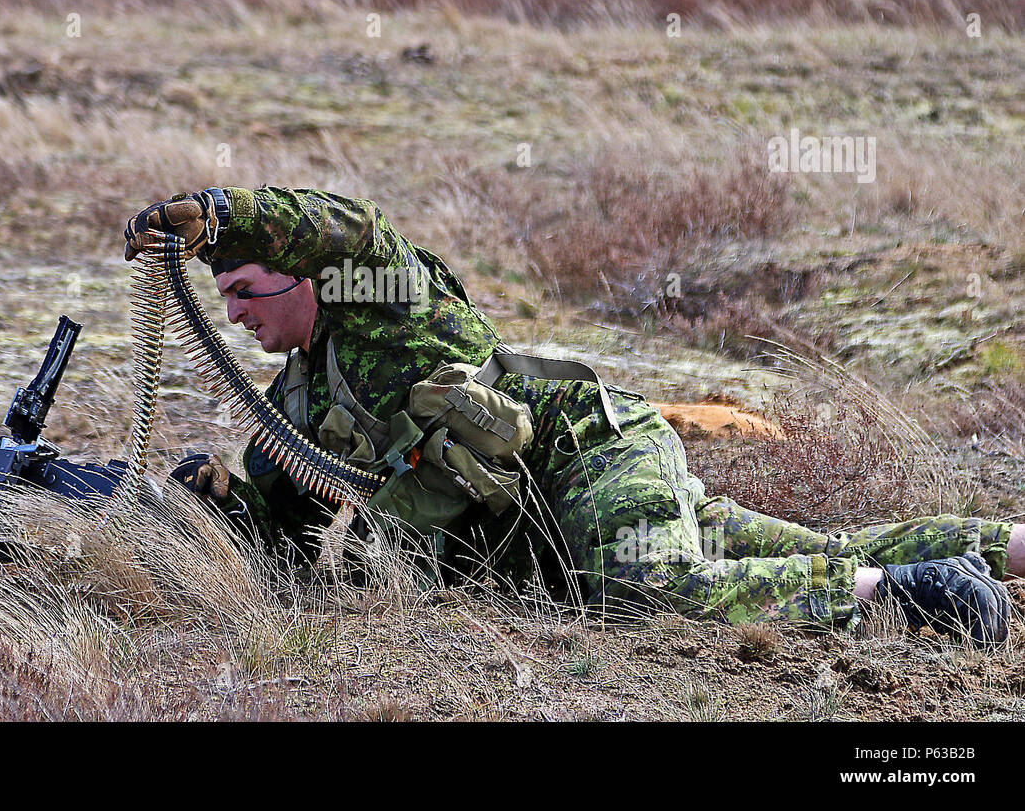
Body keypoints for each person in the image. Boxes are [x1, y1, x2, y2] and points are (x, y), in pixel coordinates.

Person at [123, 186, 1019, 645]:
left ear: (299, 273)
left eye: (242, 289)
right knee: (814, 546)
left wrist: (223, 212)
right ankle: (1008, 543)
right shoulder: (290, 412)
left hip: (593, 453)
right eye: (223, 298)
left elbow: (350, 225)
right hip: (561, 523)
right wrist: (213, 504)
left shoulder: (387, 299)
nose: (233, 315)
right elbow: (283, 548)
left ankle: (903, 599)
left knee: (642, 594)